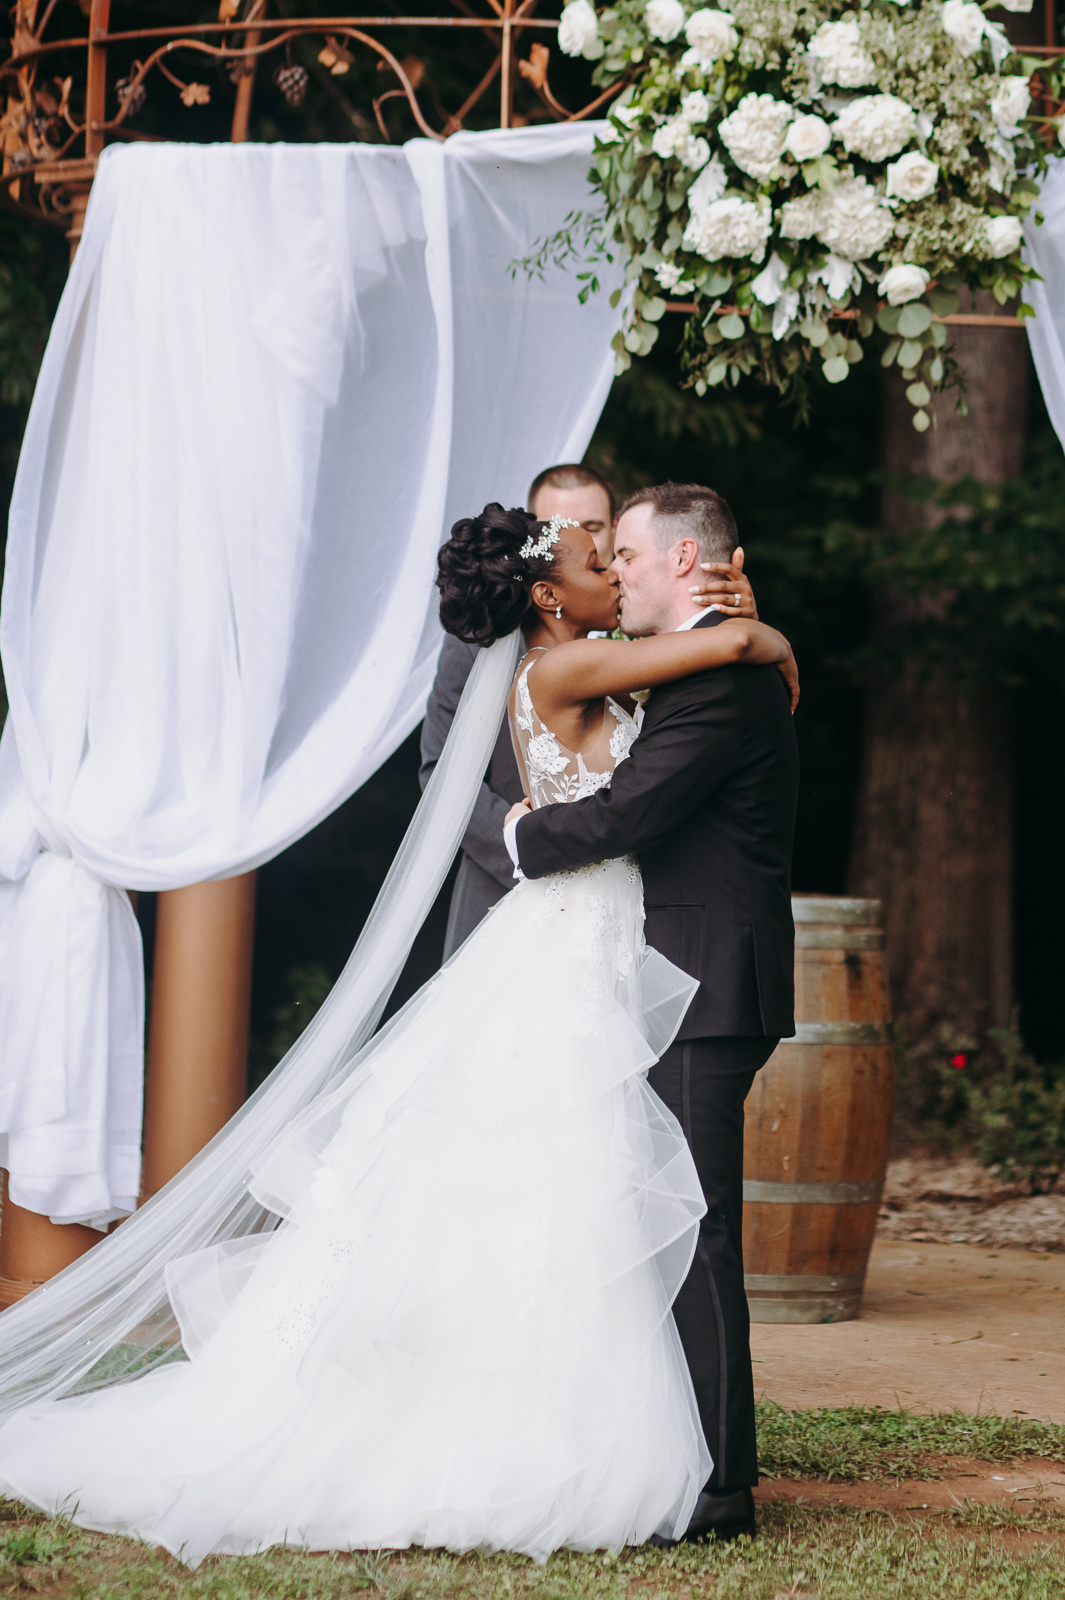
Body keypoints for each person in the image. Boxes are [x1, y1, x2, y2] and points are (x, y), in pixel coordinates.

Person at [0, 504, 797, 1566]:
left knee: (583, 1197)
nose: (611, 567)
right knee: (554, 1194)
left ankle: (636, 1438)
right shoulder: (559, 674)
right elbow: (706, 681)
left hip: (611, 948)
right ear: (547, 595)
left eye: (622, 552)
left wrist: (760, 635)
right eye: (594, 559)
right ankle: (614, 1450)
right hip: (569, 931)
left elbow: (711, 663)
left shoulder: (610, 659)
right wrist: (754, 636)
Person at [506, 484, 800, 1546]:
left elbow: (633, 812)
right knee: (670, 1213)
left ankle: (719, 1482)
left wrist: (518, 837)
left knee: (698, 1223)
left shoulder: (720, 679)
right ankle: (683, 1444)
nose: (615, 569)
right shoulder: (716, 660)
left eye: (625, 553)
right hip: (691, 968)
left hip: (707, 976)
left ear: (683, 559)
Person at [420, 463, 758, 958]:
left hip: (633, 906)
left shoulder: (640, 629)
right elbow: (442, 777)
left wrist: (730, 618)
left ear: (612, 528)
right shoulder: (491, 651)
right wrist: (528, 850)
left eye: (596, 538)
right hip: (518, 891)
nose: (609, 572)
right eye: (547, 526)